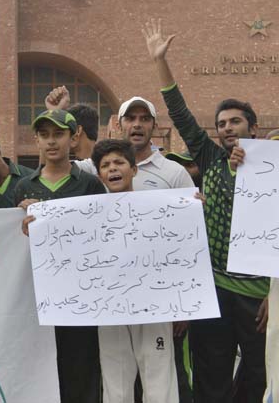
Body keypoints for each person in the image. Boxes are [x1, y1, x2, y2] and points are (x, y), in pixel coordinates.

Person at [143, 17, 268, 403]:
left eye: (235, 121)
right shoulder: (210, 157)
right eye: (221, 124)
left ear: (253, 125)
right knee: (211, 374)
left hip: (259, 294)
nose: (227, 128)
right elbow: (180, 113)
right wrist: (160, 61)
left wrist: (275, 294)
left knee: (262, 374)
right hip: (213, 290)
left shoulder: (272, 168)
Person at [16, 109, 106, 403]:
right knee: (43, 372)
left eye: (58, 134)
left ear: (73, 137)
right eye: (44, 135)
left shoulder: (90, 184)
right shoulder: (24, 187)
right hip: (37, 299)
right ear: (37, 141)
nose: (51, 142)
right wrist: (20, 224)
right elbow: (7, 242)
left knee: (82, 370)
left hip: (81, 297)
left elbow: (104, 234)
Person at [91, 139, 180, 403]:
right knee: (115, 381)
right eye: (105, 165)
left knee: (159, 376)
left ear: (134, 169)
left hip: (153, 306)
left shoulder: (161, 209)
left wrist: (191, 208)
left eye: (119, 162)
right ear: (99, 175)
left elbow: (181, 249)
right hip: (110, 308)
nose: (112, 169)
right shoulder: (89, 215)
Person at [44, 86, 99, 160]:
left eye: (60, 133)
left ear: (77, 131)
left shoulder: (75, 168)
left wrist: (56, 111)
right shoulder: (105, 165)